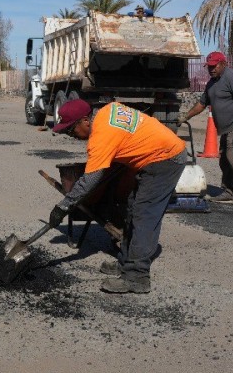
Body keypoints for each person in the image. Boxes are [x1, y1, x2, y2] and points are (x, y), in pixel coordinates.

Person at [48, 99, 187, 294]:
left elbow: (90, 180)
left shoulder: (101, 137)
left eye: (71, 130)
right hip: (156, 155)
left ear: (86, 121)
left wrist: (63, 206)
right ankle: (126, 263)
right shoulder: (107, 110)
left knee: (144, 215)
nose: (72, 136)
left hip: (166, 159)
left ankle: (137, 277)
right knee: (132, 209)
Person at [178, 51, 233, 204]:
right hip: (227, 128)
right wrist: (185, 116)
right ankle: (228, 190)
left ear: (223, 64)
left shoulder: (232, 77)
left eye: (214, 66)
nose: (211, 69)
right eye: (209, 67)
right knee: (224, 160)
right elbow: (202, 104)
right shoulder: (212, 83)